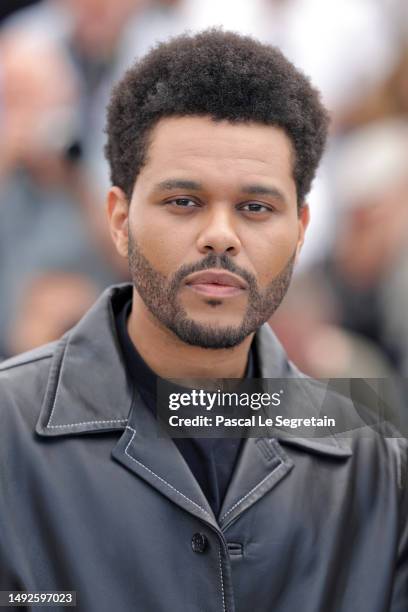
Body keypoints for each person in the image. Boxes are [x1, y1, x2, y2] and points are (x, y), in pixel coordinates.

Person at [0, 30, 406, 612]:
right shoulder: (10, 436)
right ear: (119, 219)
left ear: (301, 229)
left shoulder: (375, 465)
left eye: (256, 208)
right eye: (184, 202)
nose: (221, 235)